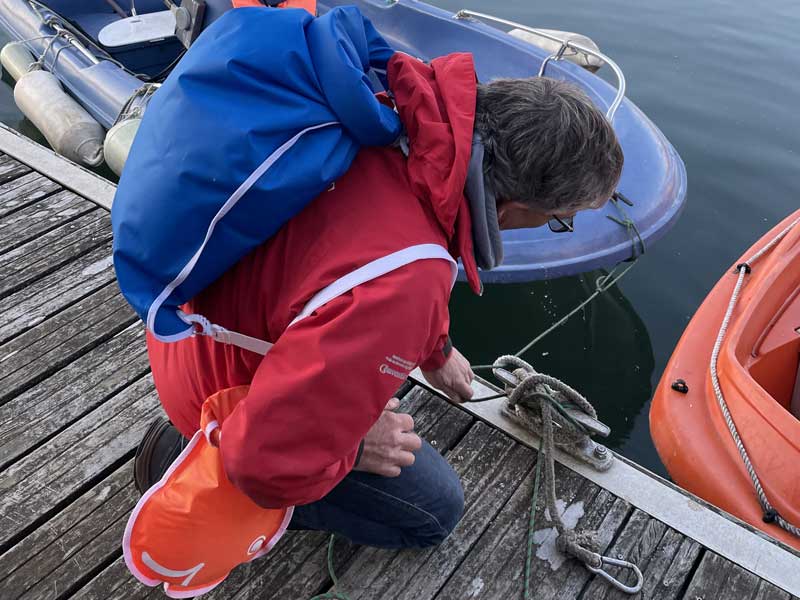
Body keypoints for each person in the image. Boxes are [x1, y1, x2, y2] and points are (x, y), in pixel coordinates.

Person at [135, 52, 623, 550]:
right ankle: (178, 455)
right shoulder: (409, 283)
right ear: (516, 208)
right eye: (559, 218)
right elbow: (260, 462)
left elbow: (367, 249)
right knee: (434, 510)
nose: (556, 227)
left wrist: (436, 350)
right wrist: (353, 449)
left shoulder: (387, 117)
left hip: (182, 327)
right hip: (218, 396)